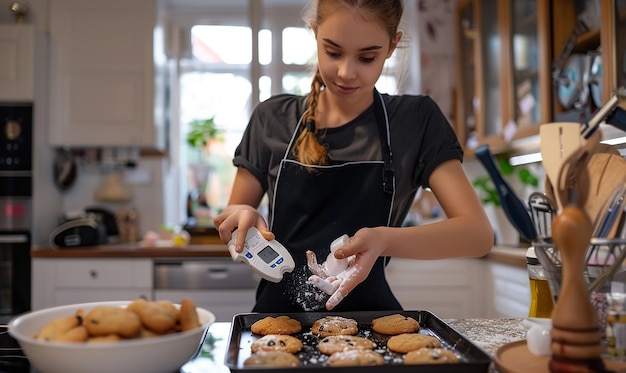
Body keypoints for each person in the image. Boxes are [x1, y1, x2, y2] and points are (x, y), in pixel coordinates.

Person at [214, 0, 493, 313]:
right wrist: (241, 218)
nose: (346, 72)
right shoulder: (273, 118)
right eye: (333, 52)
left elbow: (477, 235)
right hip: (276, 325)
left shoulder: (415, 121)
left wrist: (384, 240)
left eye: (367, 57)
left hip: (370, 325)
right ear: (314, 32)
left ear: (392, 46)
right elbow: (233, 221)